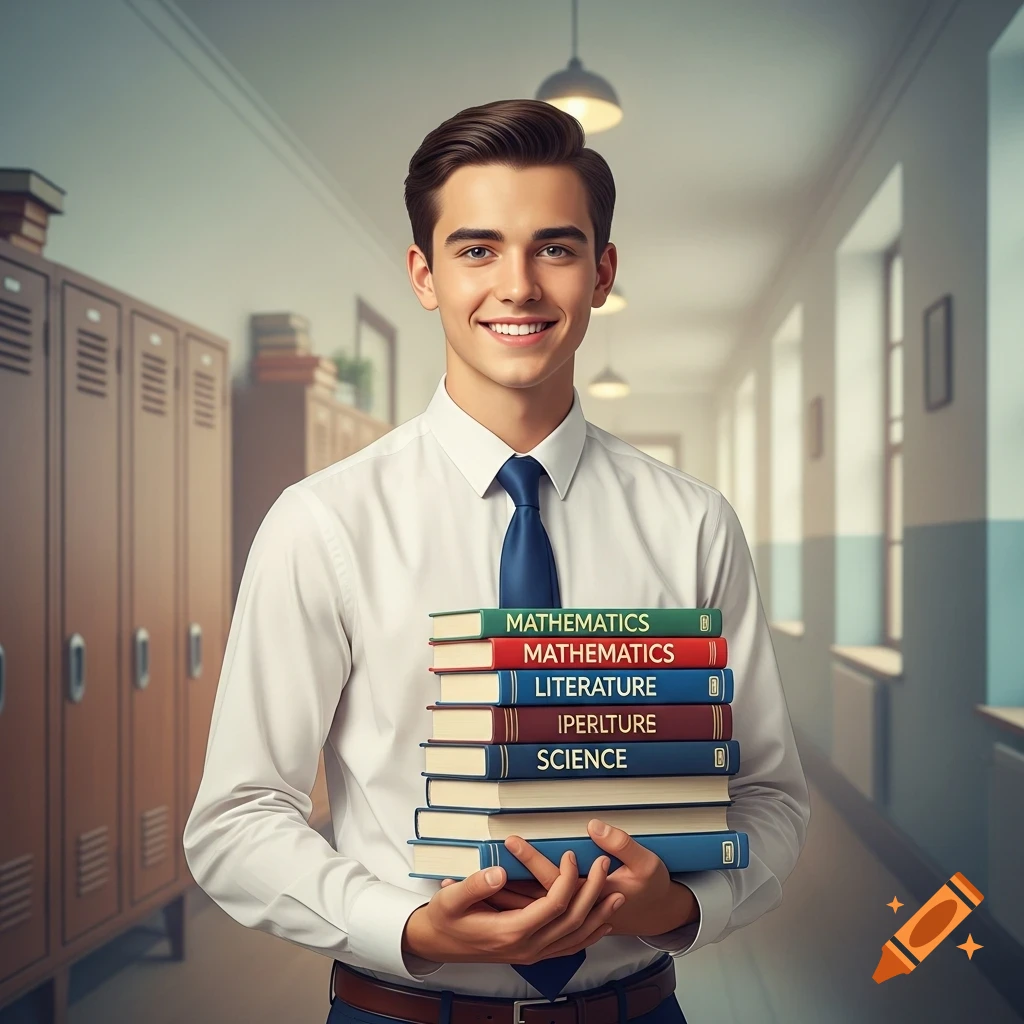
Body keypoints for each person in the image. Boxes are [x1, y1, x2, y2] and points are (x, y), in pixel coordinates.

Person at [183, 98, 810, 1024]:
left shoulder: (694, 525)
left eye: (555, 248)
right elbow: (236, 820)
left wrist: (682, 906)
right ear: (424, 275)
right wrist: (408, 928)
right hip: (398, 1011)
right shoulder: (323, 524)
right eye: (476, 250)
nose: (517, 285)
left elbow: (769, 795)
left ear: (601, 273)